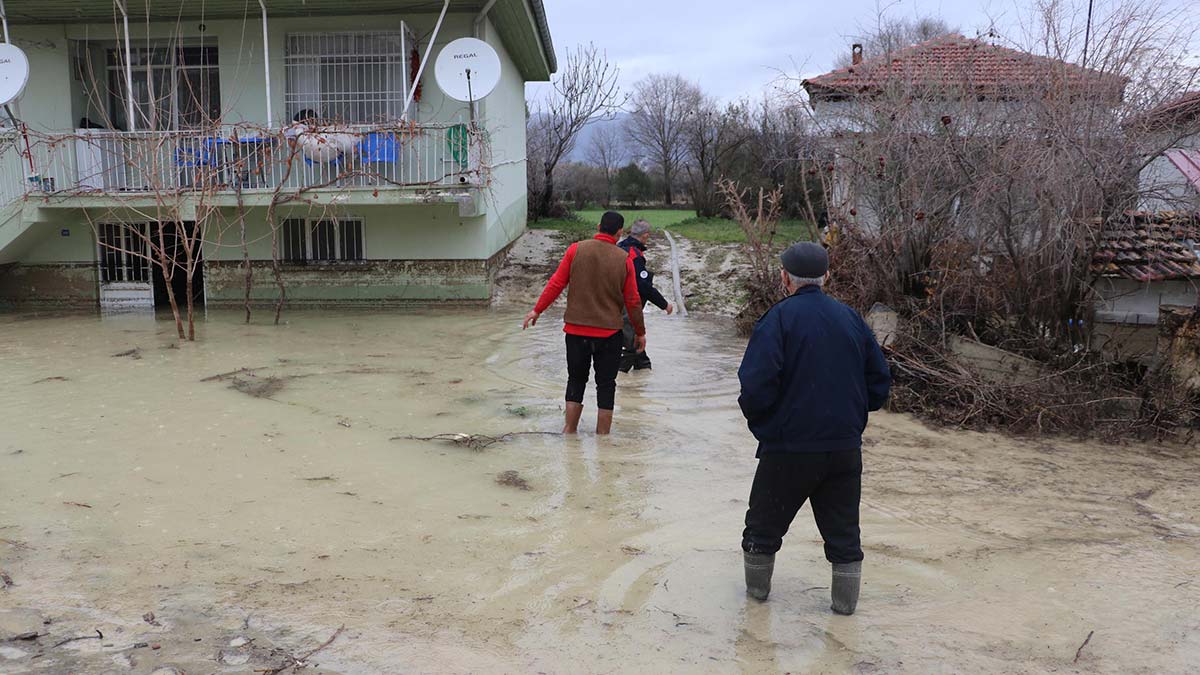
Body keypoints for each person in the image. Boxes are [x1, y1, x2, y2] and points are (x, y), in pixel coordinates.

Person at [736, 242, 891, 615]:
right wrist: (851, 421)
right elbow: (880, 381)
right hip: (843, 449)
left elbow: (755, 386)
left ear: (784, 277)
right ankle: (843, 614)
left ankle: (755, 614)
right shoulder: (851, 318)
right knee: (844, 537)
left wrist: (767, 429)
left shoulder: (777, 319)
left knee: (761, 532)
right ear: (827, 277)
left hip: (788, 448)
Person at [524, 211, 646, 435]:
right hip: (609, 334)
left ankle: (569, 430)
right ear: (620, 233)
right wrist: (640, 332)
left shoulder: (575, 250)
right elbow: (633, 301)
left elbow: (556, 283)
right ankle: (603, 438)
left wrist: (537, 310)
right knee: (606, 385)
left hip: (576, 331)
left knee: (576, 380)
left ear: (599, 226)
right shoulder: (624, 260)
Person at [617, 219, 674, 372]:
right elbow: (642, 286)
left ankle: (643, 370)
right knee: (630, 344)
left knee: (636, 346)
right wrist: (664, 304)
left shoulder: (619, 247)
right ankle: (619, 379)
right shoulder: (634, 254)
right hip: (628, 304)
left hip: (614, 300)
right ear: (646, 236)